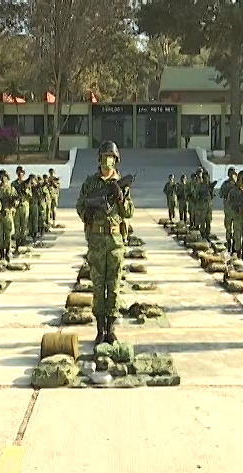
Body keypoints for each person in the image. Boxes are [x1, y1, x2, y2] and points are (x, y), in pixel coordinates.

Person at [76, 140, 134, 347]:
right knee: (98, 286)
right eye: (104, 157)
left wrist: (120, 199)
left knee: (114, 286)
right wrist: (88, 214)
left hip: (116, 241)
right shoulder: (90, 184)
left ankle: (111, 329)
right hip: (96, 241)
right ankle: (100, 330)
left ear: (116, 160)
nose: (107, 161)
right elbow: (80, 206)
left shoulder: (121, 184)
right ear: (99, 159)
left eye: (110, 157)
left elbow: (129, 213)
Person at [0, 169, 17, 262]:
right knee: (0, 235)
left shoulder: (11, 189)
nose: (3, 179)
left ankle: (7, 252)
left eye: (5, 177)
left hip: (8, 213)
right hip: (0, 215)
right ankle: (1, 254)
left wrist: (15, 202)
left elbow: (16, 201)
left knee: (8, 234)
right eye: (2, 177)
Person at [12, 166, 32, 251]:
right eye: (19, 172)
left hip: (24, 205)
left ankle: (23, 240)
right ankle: (17, 241)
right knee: (17, 224)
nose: (20, 174)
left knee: (24, 224)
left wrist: (26, 189)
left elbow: (30, 195)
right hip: (16, 206)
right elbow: (12, 194)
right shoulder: (14, 184)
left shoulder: (26, 184)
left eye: (22, 172)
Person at [220, 167, 237, 254]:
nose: (232, 175)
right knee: (228, 228)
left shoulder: (237, 184)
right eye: (231, 173)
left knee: (236, 229)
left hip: (236, 210)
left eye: (233, 173)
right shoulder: (225, 184)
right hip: (228, 209)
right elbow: (221, 194)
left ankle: (234, 246)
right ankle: (229, 244)